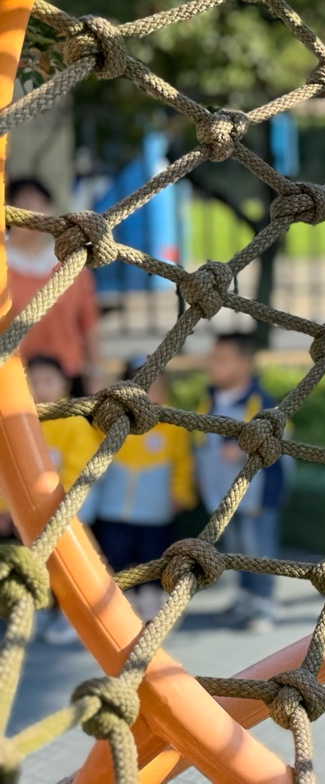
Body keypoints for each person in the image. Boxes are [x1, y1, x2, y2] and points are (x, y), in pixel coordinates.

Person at [88, 358, 195, 622]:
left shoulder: (172, 422)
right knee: (114, 557)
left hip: (154, 511)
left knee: (153, 558)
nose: (149, 393)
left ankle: (151, 604)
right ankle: (121, 606)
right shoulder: (113, 421)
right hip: (114, 509)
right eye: (142, 387)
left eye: (156, 385)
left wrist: (181, 493)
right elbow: (92, 447)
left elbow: (182, 462)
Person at [193, 332, 282, 633]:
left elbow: (278, 447)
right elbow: (201, 444)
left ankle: (264, 602)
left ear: (245, 364)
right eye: (212, 358)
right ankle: (245, 597)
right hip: (221, 495)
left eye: (222, 359)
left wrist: (242, 448)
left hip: (255, 495)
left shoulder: (261, 403)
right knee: (234, 548)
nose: (213, 365)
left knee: (258, 549)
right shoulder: (208, 399)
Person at [26, 355, 99, 645]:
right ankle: (43, 610)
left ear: (64, 384)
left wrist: (61, 505)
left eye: (48, 380)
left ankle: (73, 617)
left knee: (73, 566)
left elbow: (80, 467)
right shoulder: (21, 423)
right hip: (31, 514)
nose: (40, 388)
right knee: (39, 566)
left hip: (69, 513)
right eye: (33, 382)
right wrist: (6, 508)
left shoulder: (73, 421)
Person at [6, 178, 103, 395]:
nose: (32, 214)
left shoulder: (71, 264)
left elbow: (88, 322)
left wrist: (95, 371)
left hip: (68, 374)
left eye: (39, 206)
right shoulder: (4, 265)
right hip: (13, 377)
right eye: (24, 206)